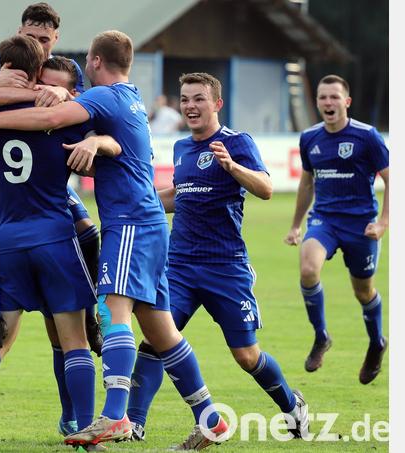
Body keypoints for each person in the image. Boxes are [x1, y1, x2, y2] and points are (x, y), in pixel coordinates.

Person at [0, 30, 229, 449]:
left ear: (94, 61)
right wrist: (94, 140)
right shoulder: (127, 97)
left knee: (113, 311)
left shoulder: (105, 96)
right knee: (162, 331)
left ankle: (113, 417)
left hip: (129, 224)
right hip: (147, 224)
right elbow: (107, 142)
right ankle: (210, 417)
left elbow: (52, 119)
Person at [0, 52, 108, 450]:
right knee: (74, 340)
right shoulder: (72, 115)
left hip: (7, 243)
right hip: (54, 240)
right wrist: (91, 134)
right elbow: (114, 150)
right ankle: (84, 431)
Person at [127, 72, 308, 442]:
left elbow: (267, 188)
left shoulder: (236, 143)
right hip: (178, 266)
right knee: (154, 340)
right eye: (185, 99)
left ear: (217, 104)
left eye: (198, 99)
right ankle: (134, 424)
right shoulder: (181, 148)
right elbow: (181, 195)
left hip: (225, 267)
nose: (190, 106)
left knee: (246, 355)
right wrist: (137, 203)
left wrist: (233, 167)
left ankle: (293, 406)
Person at [284, 74, 389, 384]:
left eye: (334, 97)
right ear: (316, 102)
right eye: (322, 97)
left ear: (347, 101)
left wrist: (383, 222)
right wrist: (295, 225)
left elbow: (392, 179)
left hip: (361, 224)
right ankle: (321, 336)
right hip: (325, 220)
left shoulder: (367, 136)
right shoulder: (310, 138)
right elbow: (306, 182)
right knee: (308, 268)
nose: (328, 103)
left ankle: (376, 342)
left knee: (363, 291)